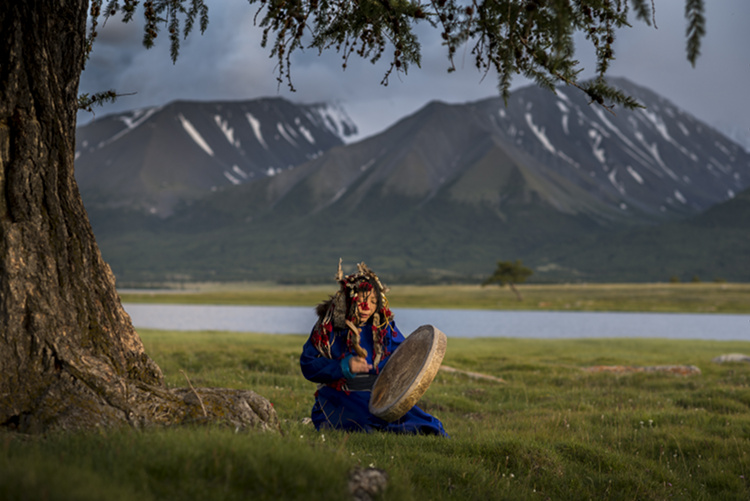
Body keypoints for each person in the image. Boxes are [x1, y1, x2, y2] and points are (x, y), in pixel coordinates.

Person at [300, 260, 447, 435]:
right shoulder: (328, 329)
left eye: (373, 301)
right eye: (361, 300)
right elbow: (308, 366)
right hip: (340, 397)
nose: (366, 307)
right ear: (349, 299)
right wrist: (344, 367)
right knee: (365, 426)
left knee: (430, 425)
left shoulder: (384, 328)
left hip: (379, 398)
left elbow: (404, 357)